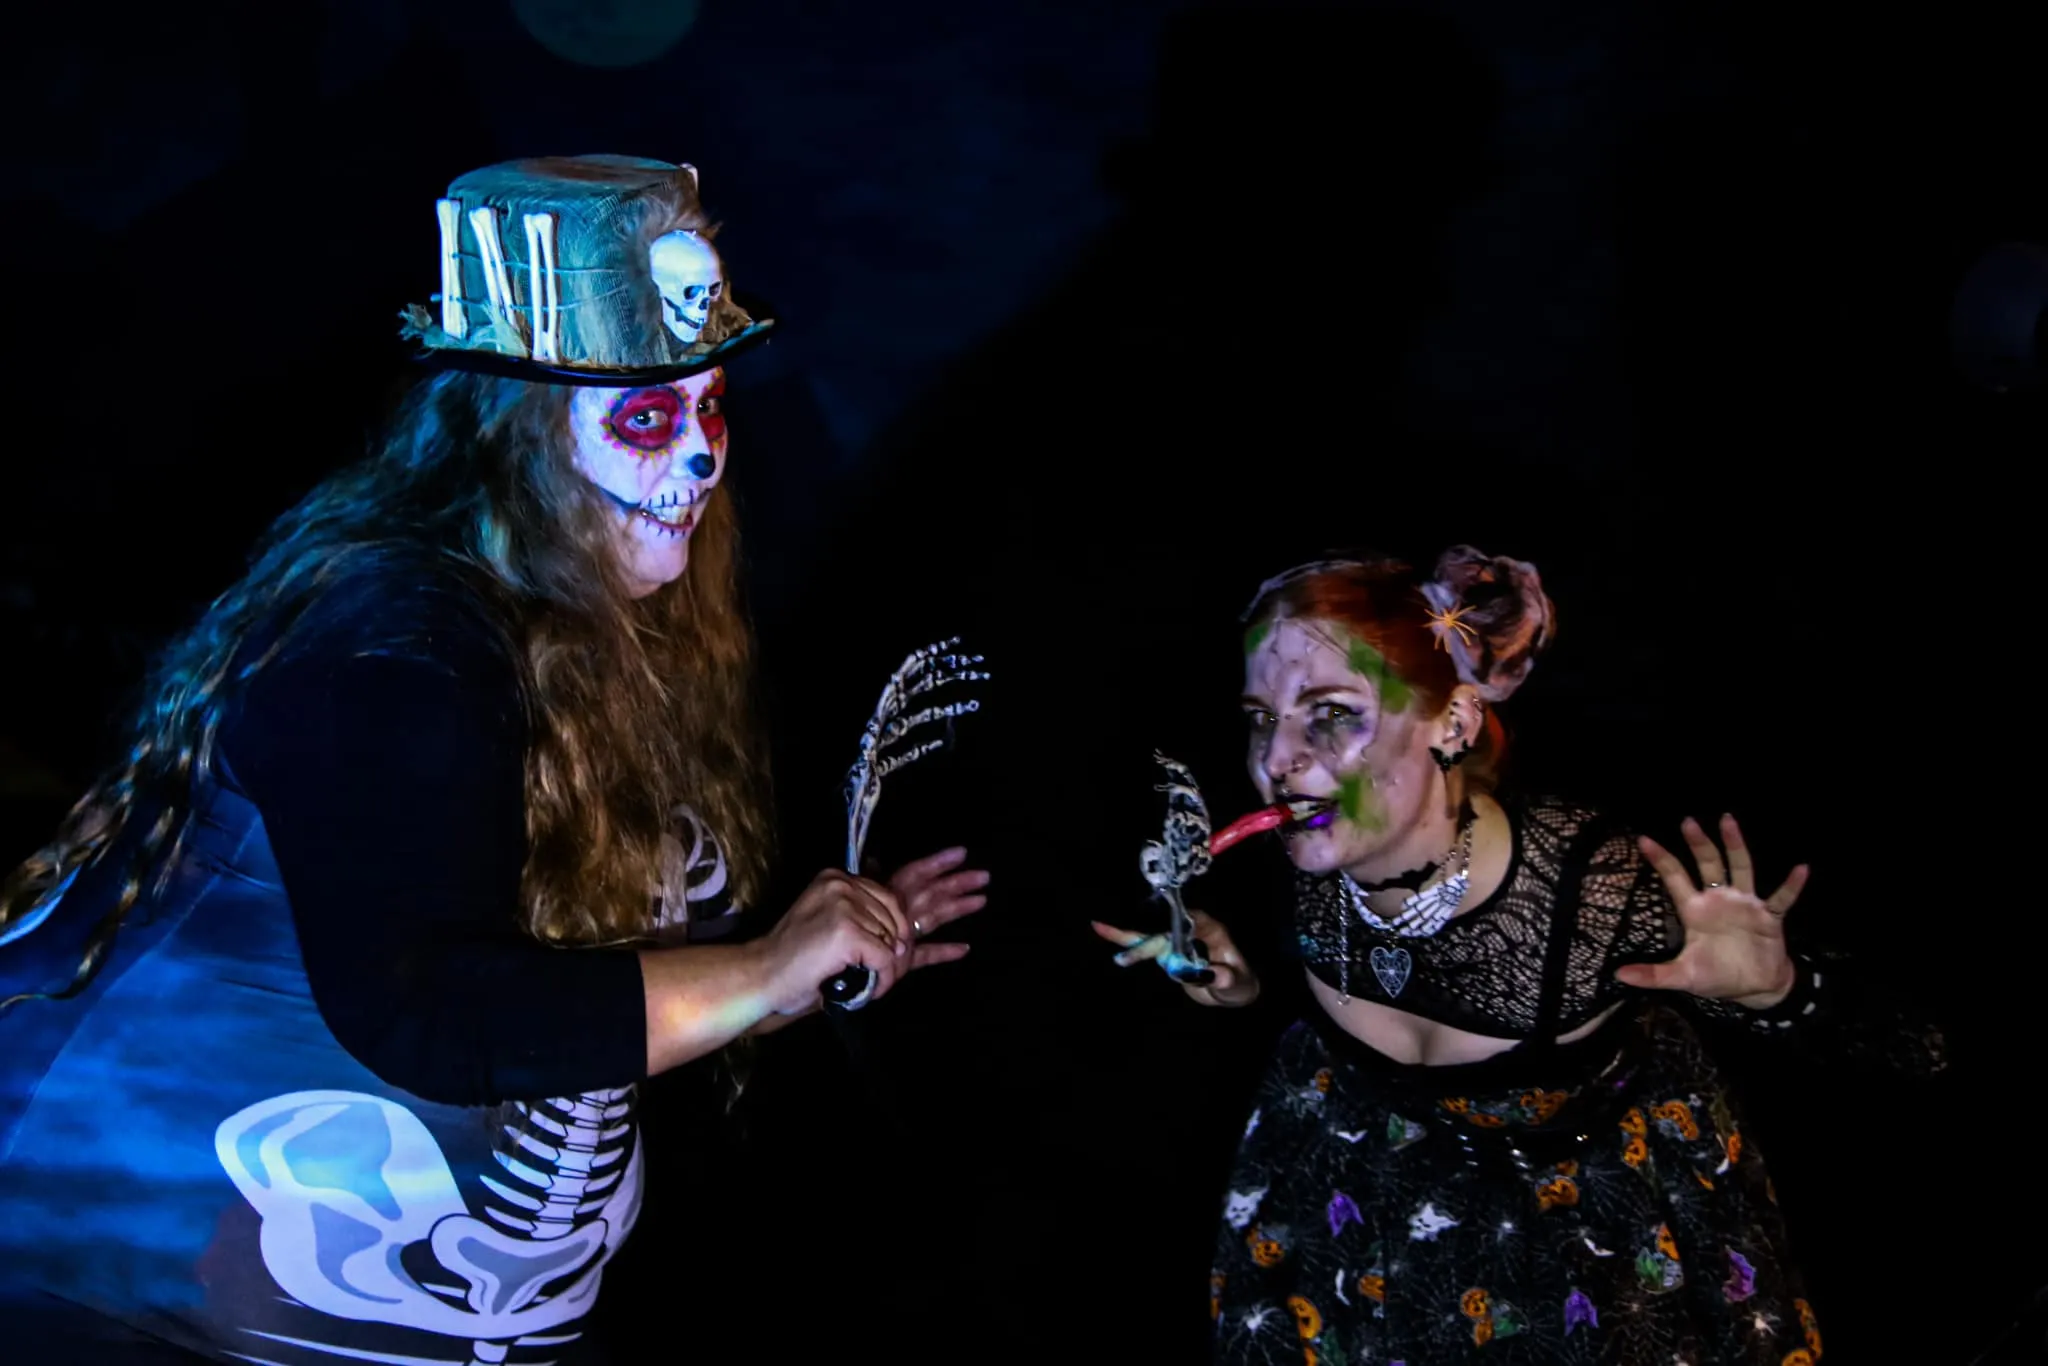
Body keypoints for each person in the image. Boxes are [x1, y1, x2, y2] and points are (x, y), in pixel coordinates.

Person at [0, 155, 989, 1365]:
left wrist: (802, 962)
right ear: (512, 439)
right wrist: (757, 967)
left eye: (710, 407)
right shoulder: (390, 646)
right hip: (124, 1293)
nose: (700, 461)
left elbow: (601, 1003)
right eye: (645, 418)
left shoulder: (590, 639)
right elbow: (426, 1011)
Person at [1094, 548, 1943, 1364]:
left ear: (1454, 722)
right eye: (1260, 719)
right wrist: (1238, 984)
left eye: (1333, 712)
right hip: (1359, 1214)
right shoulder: (1289, 862)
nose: (1276, 762)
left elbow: (1919, 1050)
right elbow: (1286, 979)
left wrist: (1779, 991)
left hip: (1575, 1254)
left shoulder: (1590, 892)